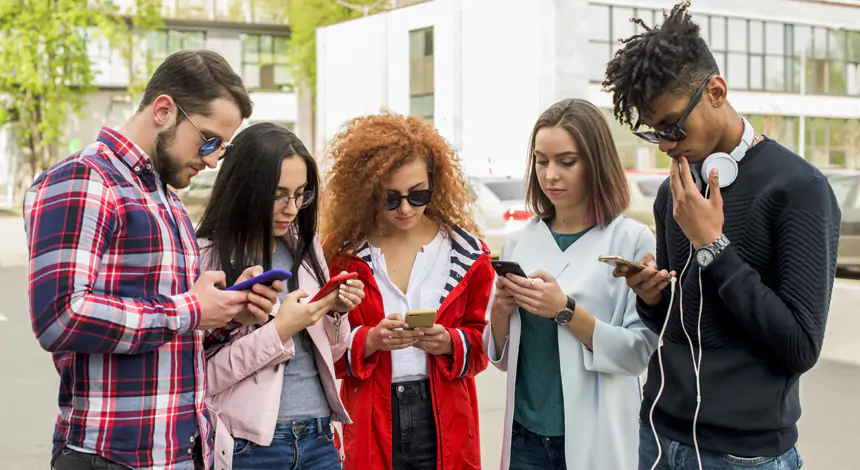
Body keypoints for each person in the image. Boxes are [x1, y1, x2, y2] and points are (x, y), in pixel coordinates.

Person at [603, 2, 841, 469]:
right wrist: (652, 298)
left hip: (742, 455)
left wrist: (714, 246)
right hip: (659, 435)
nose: (667, 145)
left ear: (716, 91)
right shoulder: (678, 190)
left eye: (673, 126)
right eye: (655, 134)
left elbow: (799, 346)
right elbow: (679, 324)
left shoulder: (799, 190)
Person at [24, 50, 279, 470]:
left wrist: (229, 312)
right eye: (209, 140)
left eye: (223, 148)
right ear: (164, 110)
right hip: (110, 455)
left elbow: (176, 331)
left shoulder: (166, 198)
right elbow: (61, 317)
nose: (213, 159)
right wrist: (192, 309)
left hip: (179, 452)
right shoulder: (85, 178)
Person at [483, 98, 658, 470]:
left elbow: (638, 353)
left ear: (596, 163)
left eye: (566, 161)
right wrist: (500, 311)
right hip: (525, 439)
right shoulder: (520, 240)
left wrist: (565, 311)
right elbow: (500, 356)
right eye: (541, 160)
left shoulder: (631, 240)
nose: (550, 175)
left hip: (598, 436)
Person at [320, 113, 493, 470]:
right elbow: (322, 352)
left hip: (446, 416)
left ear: (436, 182)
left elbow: (486, 345)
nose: (405, 209)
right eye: (390, 198)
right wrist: (370, 341)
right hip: (369, 416)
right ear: (368, 192)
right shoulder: (341, 255)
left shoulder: (468, 254)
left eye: (418, 195)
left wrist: (449, 342)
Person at [196, 123, 365, 470]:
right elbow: (203, 377)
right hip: (252, 445)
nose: (292, 208)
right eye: (279, 195)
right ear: (244, 188)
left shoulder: (307, 249)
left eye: (302, 193)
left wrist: (336, 312)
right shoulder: (206, 258)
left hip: (319, 436)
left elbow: (333, 353)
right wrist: (278, 331)